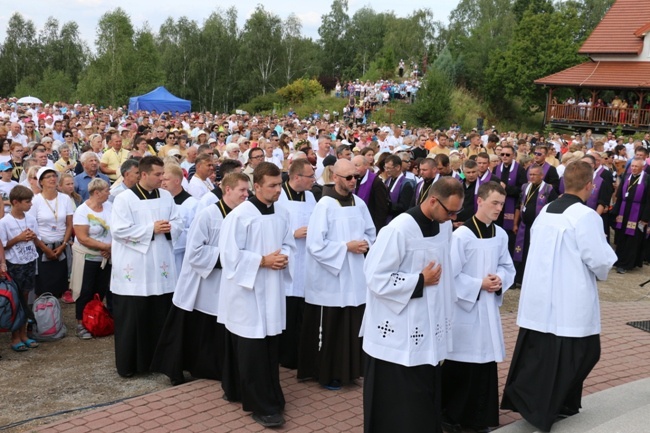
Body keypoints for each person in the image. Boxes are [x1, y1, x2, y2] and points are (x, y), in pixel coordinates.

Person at [501, 161, 617, 432]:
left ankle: (562, 404)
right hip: (568, 299)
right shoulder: (586, 216)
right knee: (585, 352)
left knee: (543, 354)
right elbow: (598, 260)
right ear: (590, 185)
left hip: (541, 298)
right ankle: (543, 406)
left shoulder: (546, 212)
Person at [361, 176, 463, 433]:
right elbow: (374, 276)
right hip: (399, 326)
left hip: (429, 322)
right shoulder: (399, 229)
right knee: (400, 399)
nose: (452, 218)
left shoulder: (444, 227)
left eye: (456, 212)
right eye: (449, 211)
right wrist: (418, 280)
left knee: (424, 394)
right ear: (432, 200)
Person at [151, 172, 251, 385]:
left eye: (247, 190)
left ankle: (218, 367)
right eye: (242, 190)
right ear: (228, 190)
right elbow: (194, 251)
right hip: (202, 281)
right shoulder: (208, 215)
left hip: (228, 280)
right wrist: (229, 256)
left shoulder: (245, 215)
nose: (246, 194)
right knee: (196, 327)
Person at [218, 162, 295, 428]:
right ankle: (259, 404)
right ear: (257, 186)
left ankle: (269, 393)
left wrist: (284, 256)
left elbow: (289, 243)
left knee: (270, 346)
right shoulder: (240, 216)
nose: (277, 190)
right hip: (247, 292)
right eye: (272, 186)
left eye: (279, 184)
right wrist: (261, 261)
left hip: (272, 288)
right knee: (252, 349)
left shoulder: (282, 212)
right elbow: (229, 256)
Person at [441, 182, 516, 433]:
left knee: (484, 364)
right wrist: (478, 284)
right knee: (461, 364)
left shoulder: (501, 234)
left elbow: (508, 267)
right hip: (465, 309)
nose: (498, 208)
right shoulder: (462, 236)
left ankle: (478, 418)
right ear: (480, 201)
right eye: (494, 203)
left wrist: (499, 280)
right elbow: (449, 274)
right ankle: (451, 417)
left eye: (501, 204)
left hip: (487, 309)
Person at [299, 159, 376, 390]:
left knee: (351, 324)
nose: (354, 181)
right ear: (335, 178)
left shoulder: (359, 203)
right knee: (332, 326)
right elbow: (315, 244)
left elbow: (371, 232)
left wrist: (366, 244)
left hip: (355, 275)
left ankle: (350, 371)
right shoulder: (325, 205)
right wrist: (345, 247)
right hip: (330, 277)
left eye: (356, 177)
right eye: (349, 177)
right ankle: (327, 373)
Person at [110, 156, 183, 378]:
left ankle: (160, 362)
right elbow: (119, 231)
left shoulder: (165, 196)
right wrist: (151, 229)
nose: (162, 179)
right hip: (135, 267)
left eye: (163, 175)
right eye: (158, 174)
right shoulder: (124, 199)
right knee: (134, 319)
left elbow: (179, 222)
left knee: (160, 315)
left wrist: (171, 227)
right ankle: (130, 364)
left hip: (161, 264)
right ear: (143, 175)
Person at [274, 159, 316, 369]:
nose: (313, 180)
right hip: (288, 258)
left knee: (302, 310)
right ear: (296, 177)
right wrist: (293, 233)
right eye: (310, 176)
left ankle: (300, 353)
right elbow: (272, 227)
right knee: (287, 309)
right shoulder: (279, 196)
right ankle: (285, 355)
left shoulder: (310, 196)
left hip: (307, 258)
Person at [70, 178, 112, 340]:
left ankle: (95, 317)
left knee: (100, 289)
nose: (109, 193)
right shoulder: (82, 211)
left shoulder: (110, 207)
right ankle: (81, 322)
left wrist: (110, 248)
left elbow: (117, 228)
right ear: (97, 193)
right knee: (84, 290)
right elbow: (83, 238)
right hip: (87, 256)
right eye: (106, 190)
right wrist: (106, 247)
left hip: (106, 256)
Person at [0, 186, 39, 352]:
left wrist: (32, 236)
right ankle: (15, 337)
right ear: (15, 202)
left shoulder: (30, 218)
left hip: (29, 261)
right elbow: (3, 245)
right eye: (27, 201)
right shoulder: (4, 222)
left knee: (25, 298)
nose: (30, 204)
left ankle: (24, 334)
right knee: (16, 301)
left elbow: (37, 237)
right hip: (14, 264)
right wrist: (19, 238)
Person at [29, 167, 75, 298]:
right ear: (41, 181)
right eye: (48, 176)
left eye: (54, 176)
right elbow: (32, 228)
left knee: (59, 287)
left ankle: (54, 316)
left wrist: (64, 244)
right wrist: (45, 249)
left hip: (61, 246)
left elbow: (69, 224)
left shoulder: (65, 199)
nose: (52, 179)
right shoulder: (35, 200)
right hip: (42, 247)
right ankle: (42, 316)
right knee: (42, 287)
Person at [512, 165, 558, 285]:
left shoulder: (548, 189)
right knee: (521, 252)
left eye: (534, 175)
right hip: (524, 226)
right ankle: (519, 278)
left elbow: (552, 209)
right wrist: (515, 223)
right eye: (530, 174)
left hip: (539, 228)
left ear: (541, 176)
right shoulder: (525, 187)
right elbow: (518, 205)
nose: (531, 177)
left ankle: (532, 279)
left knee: (534, 252)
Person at [612, 158, 650, 273]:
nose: (633, 168)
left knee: (633, 239)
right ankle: (619, 260)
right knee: (621, 236)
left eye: (636, 166)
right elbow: (619, 196)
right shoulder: (626, 176)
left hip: (637, 212)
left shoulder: (647, 179)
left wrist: (645, 217)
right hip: (623, 211)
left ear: (642, 167)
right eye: (632, 166)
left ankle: (627, 264)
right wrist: (616, 211)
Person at [161, 164, 197, 272]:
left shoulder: (192, 204)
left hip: (180, 257)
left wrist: (168, 234)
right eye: (161, 179)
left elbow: (194, 232)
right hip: (161, 255)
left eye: (166, 179)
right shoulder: (160, 201)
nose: (162, 183)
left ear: (177, 181)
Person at [493, 145, 527, 254]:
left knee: (509, 237)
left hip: (512, 207)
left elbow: (522, 190)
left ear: (513, 156)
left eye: (507, 154)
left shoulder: (520, 170)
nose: (504, 157)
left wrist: (507, 188)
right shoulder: (496, 168)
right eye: (502, 154)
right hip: (497, 207)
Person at [352, 154, 391, 233]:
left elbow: (381, 208)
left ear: (366, 166)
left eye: (357, 165)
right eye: (352, 165)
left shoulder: (376, 182)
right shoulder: (353, 179)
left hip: (372, 223)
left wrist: (377, 230)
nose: (354, 168)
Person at [384, 154, 415, 222]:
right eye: (385, 168)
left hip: (398, 220)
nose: (386, 170)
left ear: (398, 167)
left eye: (389, 168)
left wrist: (387, 205)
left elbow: (404, 207)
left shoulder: (406, 184)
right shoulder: (387, 181)